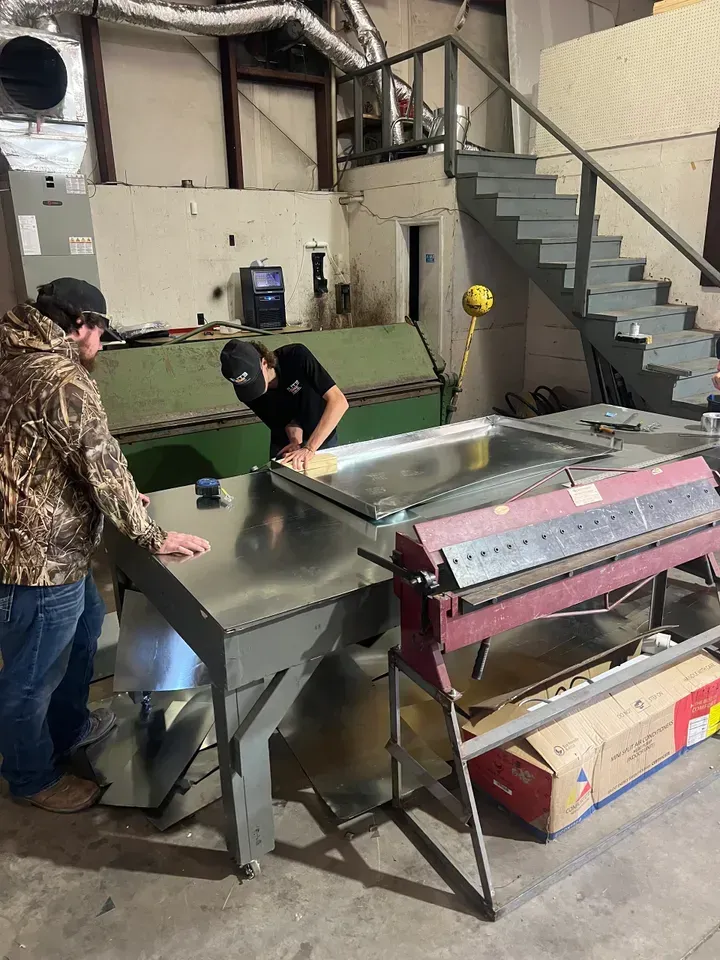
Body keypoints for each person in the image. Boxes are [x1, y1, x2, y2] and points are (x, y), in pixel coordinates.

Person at [0, 278, 210, 814]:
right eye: (99, 332)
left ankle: (69, 727)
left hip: (44, 542)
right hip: (38, 560)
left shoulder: (13, 354)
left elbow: (50, 452)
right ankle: (31, 777)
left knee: (87, 627)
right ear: (80, 325)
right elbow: (99, 459)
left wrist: (110, 492)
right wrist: (153, 533)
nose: (100, 345)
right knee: (31, 677)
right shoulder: (63, 380)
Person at [220, 339, 349, 471]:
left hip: (321, 436)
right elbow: (285, 420)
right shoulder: (249, 394)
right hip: (286, 443)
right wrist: (295, 442)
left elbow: (338, 402)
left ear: (264, 362)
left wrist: (309, 448)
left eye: (254, 381)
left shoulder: (296, 357)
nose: (253, 389)